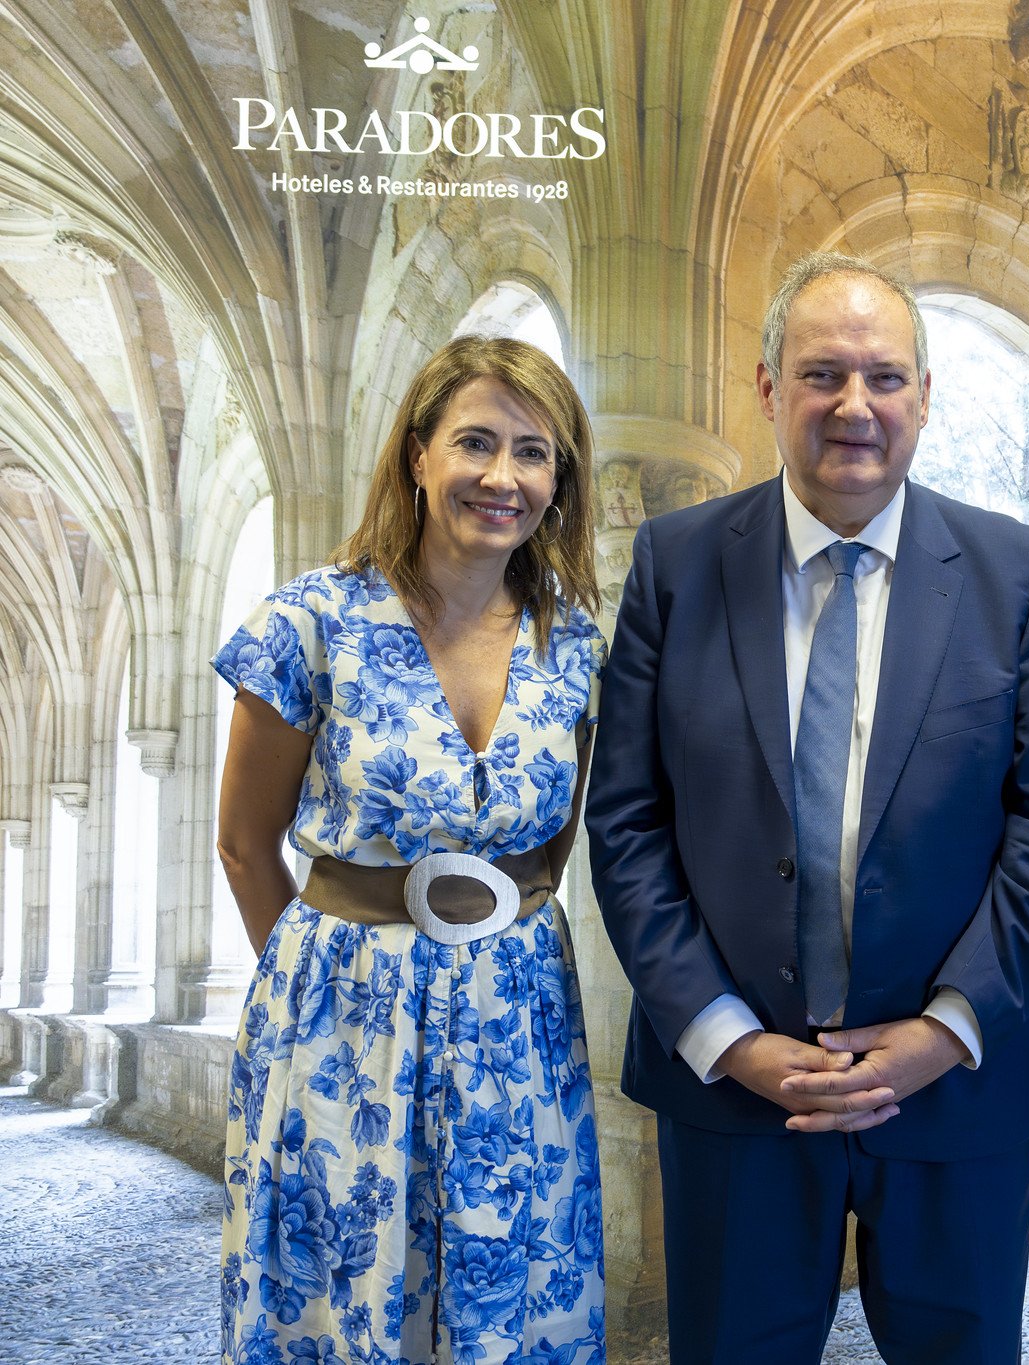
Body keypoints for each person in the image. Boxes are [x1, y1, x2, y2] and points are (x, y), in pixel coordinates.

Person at [583, 250, 1029, 1365]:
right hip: (736, 1097)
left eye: (884, 378)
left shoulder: (1020, 576)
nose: (854, 407)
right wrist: (727, 1039)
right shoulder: (677, 566)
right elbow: (628, 824)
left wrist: (942, 1028)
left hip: (955, 1094)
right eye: (823, 375)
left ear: (923, 397)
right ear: (769, 387)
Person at [214, 335, 609, 1364]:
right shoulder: (310, 621)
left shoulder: (575, 646)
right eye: (474, 442)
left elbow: (550, 854)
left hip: (516, 1021)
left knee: (508, 1292)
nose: (501, 476)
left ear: (557, 481)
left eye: (533, 452)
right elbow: (245, 846)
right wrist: (314, 1000)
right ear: (417, 455)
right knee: (343, 1299)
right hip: (340, 1019)